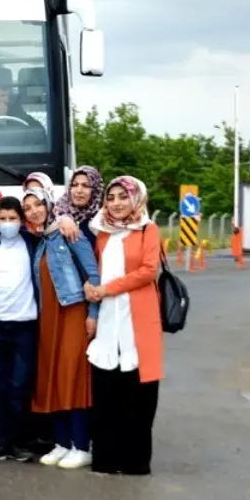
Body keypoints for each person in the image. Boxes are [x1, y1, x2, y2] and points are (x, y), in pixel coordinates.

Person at [84, 176, 163, 476]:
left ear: (136, 198)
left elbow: (147, 271)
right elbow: (93, 268)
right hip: (107, 319)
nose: (115, 203)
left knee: (139, 396)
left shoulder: (147, 228)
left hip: (137, 319)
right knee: (106, 393)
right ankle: (106, 458)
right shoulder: (101, 231)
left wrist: (107, 289)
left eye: (122, 197)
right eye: (111, 197)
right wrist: (91, 287)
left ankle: (135, 461)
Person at [25, 187, 100, 470]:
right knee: (52, 376)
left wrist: (92, 314)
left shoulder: (69, 233)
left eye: (37, 204)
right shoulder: (42, 241)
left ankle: (81, 446)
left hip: (72, 313)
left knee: (73, 377)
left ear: (48, 205)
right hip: (49, 317)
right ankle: (62, 442)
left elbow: (93, 274)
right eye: (28, 207)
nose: (33, 210)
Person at [0, 196, 40, 465]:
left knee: (19, 386)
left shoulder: (33, 242)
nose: (8, 224)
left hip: (24, 324)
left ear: (22, 221)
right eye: (3, 219)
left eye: (13, 219)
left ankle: (18, 443)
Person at [53, 165, 105, 243]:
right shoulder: (57, 213)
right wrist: (62, 218)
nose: (79, 190)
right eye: (74, 185)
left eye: (86, 186)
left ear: (95, 190)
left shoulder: (102, 221)